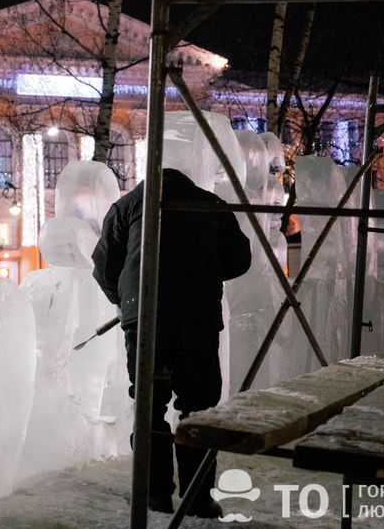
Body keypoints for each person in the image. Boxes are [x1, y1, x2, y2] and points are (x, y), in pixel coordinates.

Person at [92, 167, 251, 517]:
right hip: (197, 317)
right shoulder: (210, 204)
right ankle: (198, 496)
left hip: (145, 316)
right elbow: (240, 259)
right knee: (199, 406)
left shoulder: (128, 206)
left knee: (150, 404)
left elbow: (104, 265)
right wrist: (204, 270)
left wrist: (124, 299)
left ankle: (155, 493)